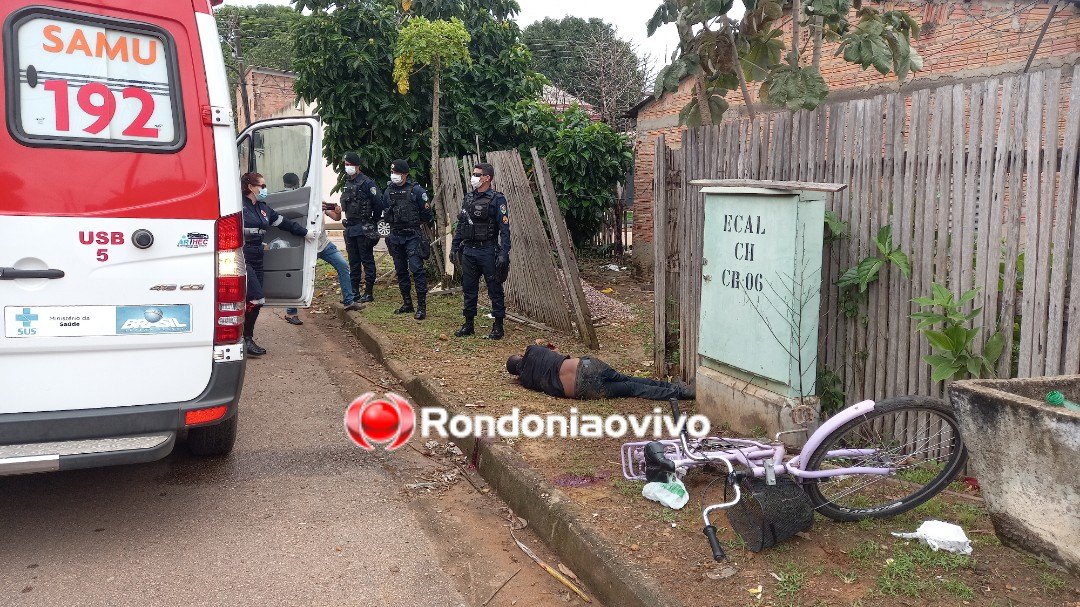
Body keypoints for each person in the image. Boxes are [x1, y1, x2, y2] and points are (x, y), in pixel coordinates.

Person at [240, 171, 316, 356]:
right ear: (250, 187)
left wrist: (305, 233)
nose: (265, 189)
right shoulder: (238, 206)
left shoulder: (263, 208)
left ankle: (245, 337)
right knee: (255, 299)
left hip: (258, 257)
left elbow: (285, 223)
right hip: (241, 257)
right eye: (262, 186)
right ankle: (244, 339)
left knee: (254, 300)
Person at [282, 172, 362, 325]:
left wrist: (337, 212)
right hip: (305, 246)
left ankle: (349, 301)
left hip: (323, 244)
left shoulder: (319, 200)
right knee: (298, 277)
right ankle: (290, 312)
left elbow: (336, 218)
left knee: (343, 265)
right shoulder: (297, 201)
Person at [450, 162, 511, 340]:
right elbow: (461, 225)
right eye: (474, 174)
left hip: (488, 250)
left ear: (487, 178)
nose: (474, 177)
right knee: (469, 288)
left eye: (477, 174)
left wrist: (503, 253)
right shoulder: (468, 198)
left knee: (494, 289)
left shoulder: (497, 199)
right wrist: (455, 246)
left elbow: (505, 229)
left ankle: (498, 326)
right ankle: (468, 324)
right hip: (468, 250)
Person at [505, 344, 695, 401]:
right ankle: (677, 387)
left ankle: (680, 392)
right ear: (520, 355)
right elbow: (555, 353)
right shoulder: (532, 350)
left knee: (631, 388)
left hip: (584, 390)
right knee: (627, 378)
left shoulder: (527, 381)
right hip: (587, 366)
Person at [383, 159, 434, 320]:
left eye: (397, 173)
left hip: (412, 235)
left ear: (405, 174)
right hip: (396, 236)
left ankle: (421, 307)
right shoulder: (388, 191)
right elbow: (385, 211)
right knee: (400, 270)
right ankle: (407, 303)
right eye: (392, 173)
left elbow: (427, 215)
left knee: (417, 270)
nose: (394, 176)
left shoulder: (417, 191)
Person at [339, 153, 385, 304]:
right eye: (345, 164)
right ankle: (354, 292)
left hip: (363, 227)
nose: (347, 167)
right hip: (351, 228)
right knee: (353, 261)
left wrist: (373, 220)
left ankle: (369, 292)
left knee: (367, 259)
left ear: (357, 166)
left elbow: (378, 202)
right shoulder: (347, 182)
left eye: (349, 164)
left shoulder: (367, 183)